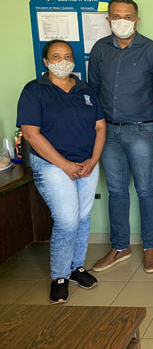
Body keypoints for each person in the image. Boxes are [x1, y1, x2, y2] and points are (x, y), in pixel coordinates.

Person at [17, 40, 106, 303]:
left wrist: (93, 160)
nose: (63, 61)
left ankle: (76, 267)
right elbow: (31, 134)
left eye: (67, 56)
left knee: (83, 217)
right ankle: (59, 276)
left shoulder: (85, 89)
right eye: (56, 56)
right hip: (53, 166)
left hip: (87, 163)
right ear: (46, 62)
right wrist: (64, 164)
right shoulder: (34, 90)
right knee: (67, 220)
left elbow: (100, 127)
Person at [88, 0, 153, 274]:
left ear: (137, 19)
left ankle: (150, 248)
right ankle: (120, 246)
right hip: (108, 131)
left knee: (145, 189)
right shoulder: (100, 49)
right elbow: (93, 91)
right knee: (116, 191)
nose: (122, 21)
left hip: (142, 130)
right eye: (116, 16)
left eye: (128, 16)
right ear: (108, 19)